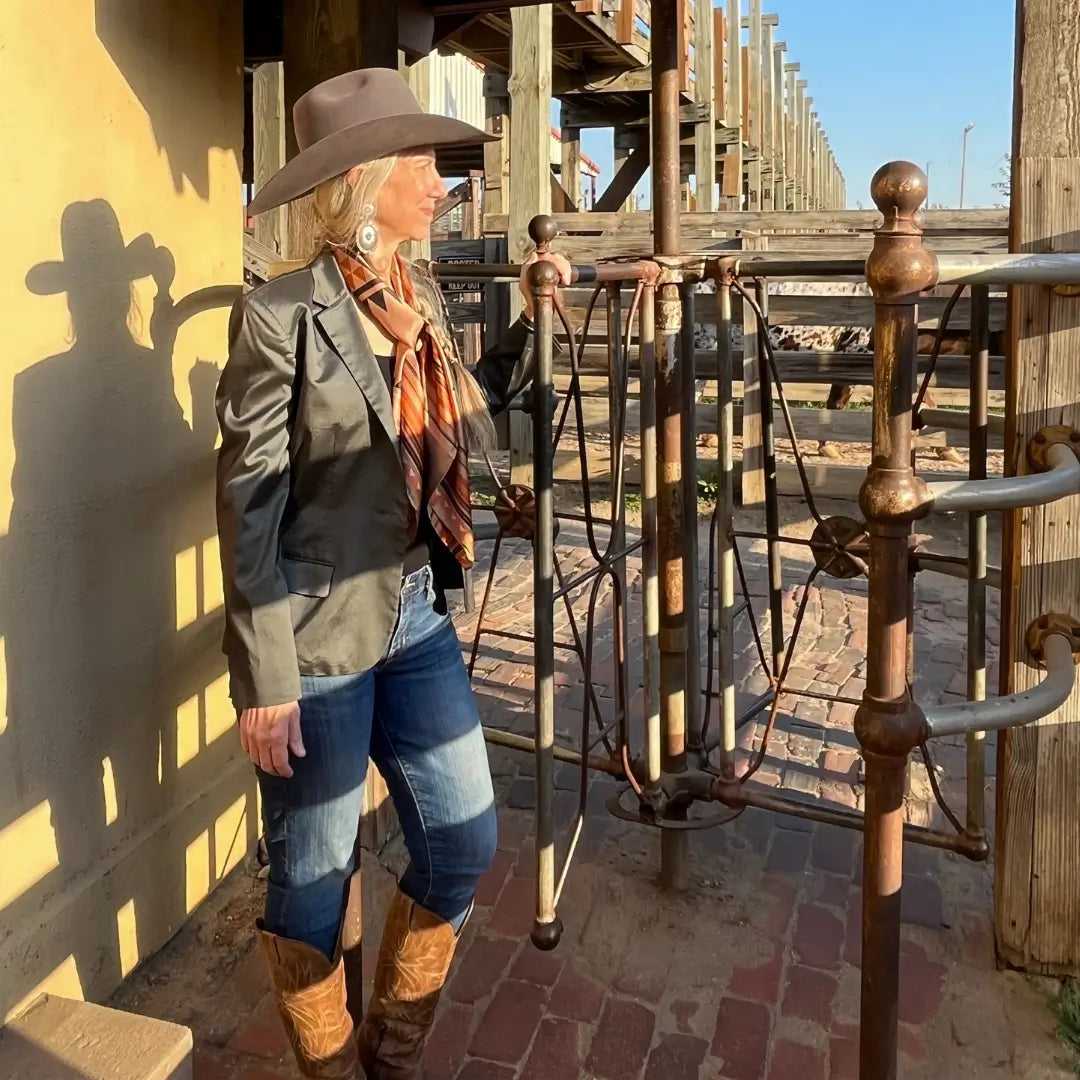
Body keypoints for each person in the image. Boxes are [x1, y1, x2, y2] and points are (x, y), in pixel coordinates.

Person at [217, 67, 570, 1079]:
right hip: (316, 638)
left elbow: (469, 419)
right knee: (314, 885)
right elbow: (247, 506)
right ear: (369, 183)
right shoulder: (281, 316)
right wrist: (267, 678)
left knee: (463, 840)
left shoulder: (419, 299)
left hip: (414, 613)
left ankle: (387, 1052)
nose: (440, 180)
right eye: (421, 163)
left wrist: (535, 325)